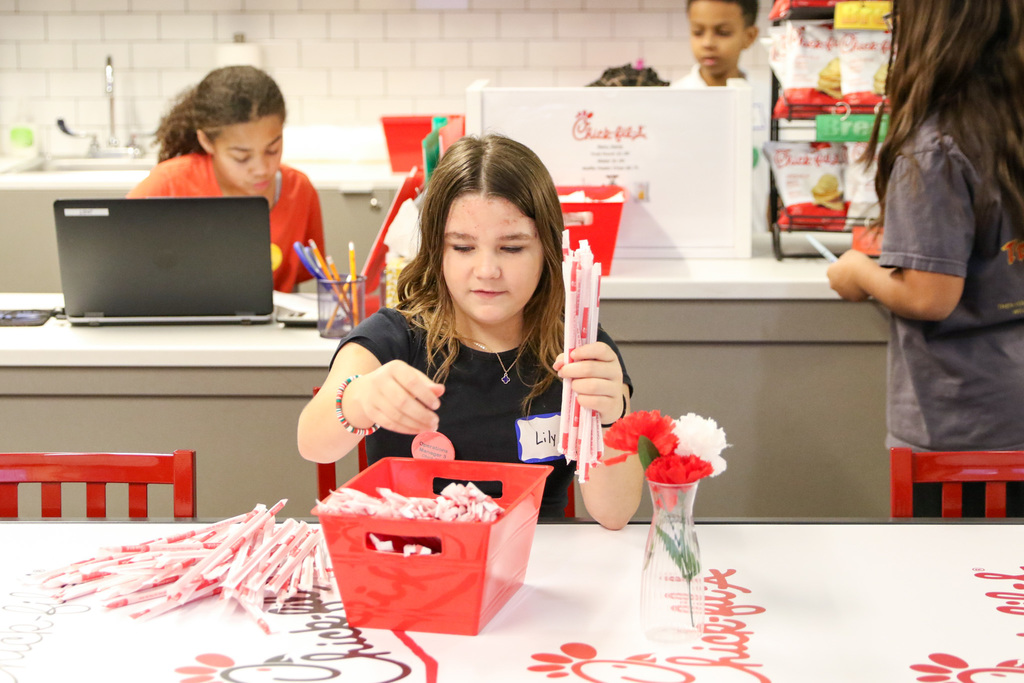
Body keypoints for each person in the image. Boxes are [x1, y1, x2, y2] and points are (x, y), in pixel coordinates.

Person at [297, 134, 643, 530]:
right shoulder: (394, 337)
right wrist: (359, 400)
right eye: (463, 247)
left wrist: (611, 416)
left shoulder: (578, 344)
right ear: (437, 251)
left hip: (535, 553)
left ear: (547, 251)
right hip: (411, 549)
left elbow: (614, 514)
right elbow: (313, 444)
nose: (487, 271)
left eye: (512, 248)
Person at [826, 0, 1024, 516]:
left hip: (964, 428)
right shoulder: (1011, 128)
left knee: (950, 562)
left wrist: (858, 269)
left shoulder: (933, 149)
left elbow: (929, 296)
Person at [127, 66, 323, 293]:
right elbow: (119, 259)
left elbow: (297, 286)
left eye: (273, 150)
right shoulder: (167, 184)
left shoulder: (299, 190)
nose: (261, 169)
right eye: (241, 157)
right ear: (207, 142)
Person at [677, 0, 759, 88]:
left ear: (749, 37)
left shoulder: (766, 94)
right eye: (698, 32)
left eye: (723, 32)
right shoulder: (674, 94)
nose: (708, 43)